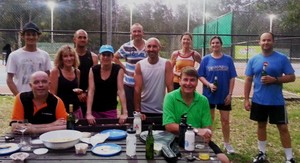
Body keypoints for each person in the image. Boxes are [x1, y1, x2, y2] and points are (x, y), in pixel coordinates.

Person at [244, 32, 296, 163]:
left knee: (283, 128)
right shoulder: (253, 60)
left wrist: (275, 79)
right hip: (258, 100)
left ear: (273, 41)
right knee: (261, 125)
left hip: (276, 101)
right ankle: (261, 153)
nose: (266, 43)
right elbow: (248, 79)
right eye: (263, 40)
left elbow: (291, 77)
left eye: (268, 40)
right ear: (259, 42)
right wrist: (246, 99)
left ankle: (289, 158)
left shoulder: (282, 58)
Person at [163, 66, 229, 163]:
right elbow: (169, 126)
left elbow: (207, 128)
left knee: (224, 160)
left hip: (198, 141)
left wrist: (206, 136)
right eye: (185, 80)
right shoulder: (170, 97)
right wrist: (196, 130)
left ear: (197, 82)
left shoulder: (203, 100)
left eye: (192, 80)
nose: (188, 83)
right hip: (175, 140)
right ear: (179, 81)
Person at [198, 36, 237, 154]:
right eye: (213, 43)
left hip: (224, 96)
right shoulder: (205, 59)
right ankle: (208, 142)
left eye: (217, 43)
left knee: (225, 120)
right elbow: (200, 75)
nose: (215, 45)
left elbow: (232, 77)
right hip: (209, 95)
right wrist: (209, 85)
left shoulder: (228, 59)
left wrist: (230, 94)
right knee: (209, 121)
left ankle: (227, 144)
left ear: (221, 45)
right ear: (210, 45)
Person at [6, 22, 52, 95]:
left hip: (40, 97)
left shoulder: (45, 55)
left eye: (34, 34)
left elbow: (49, 77)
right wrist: (19, 96)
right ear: (23, 36)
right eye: (28, 34)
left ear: (38, 36)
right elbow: (9, 80)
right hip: (23, 96)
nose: (31, 37)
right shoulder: (14, 55)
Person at [86, 45, 128, 125]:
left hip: (110, 109)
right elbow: (91, 91)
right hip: (95, 110)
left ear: (112, 57)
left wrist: (125, 112)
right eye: (103, 54)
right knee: (95, 134)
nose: (106, 57)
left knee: (110, 132)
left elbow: (121, 91)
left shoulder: (118, 69)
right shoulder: (93, 70)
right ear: (99, 56)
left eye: (108, 55)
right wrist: (89, 113)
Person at [134, 37, 173, 120]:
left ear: (159, 48)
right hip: (144, 111)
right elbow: (137, 89)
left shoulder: (166, 64)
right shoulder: (139, 65)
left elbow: (170, 88)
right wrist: (138, 111)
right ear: (145, 48)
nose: (151, 49)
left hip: (162, 110)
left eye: (154, 46)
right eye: (149, 46)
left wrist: (171, 109)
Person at [113, 23, 147, 117]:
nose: (137, 33)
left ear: (142, 33)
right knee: (130, 112)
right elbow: (115, 57)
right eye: (134, 31)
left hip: (145, 85)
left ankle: (143, 130)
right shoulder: (126, 46)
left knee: (143, 111)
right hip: (129, 84)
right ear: (131, 33)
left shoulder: (148, 46)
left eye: (139, 31)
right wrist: (124, 68)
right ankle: (130, 130)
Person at [50, 45, 83, 118]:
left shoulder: (77, 72)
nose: (69, 58)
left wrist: (80, 93)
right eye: (65, 56)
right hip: (61, 111)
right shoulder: (55, 72)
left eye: (71, 55)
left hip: (76, 110)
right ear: (61, 58)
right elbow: (52, 96)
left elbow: (76, 91)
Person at [73, 29, 98, 117]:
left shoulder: (93, 57)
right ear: (74, 39)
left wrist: (86, 92)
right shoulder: (70, 56)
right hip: (72, 95)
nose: (82, 39)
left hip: (89, 95)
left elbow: (95, 78)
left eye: (84, 37)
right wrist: (78, 93)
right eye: (80, 37)